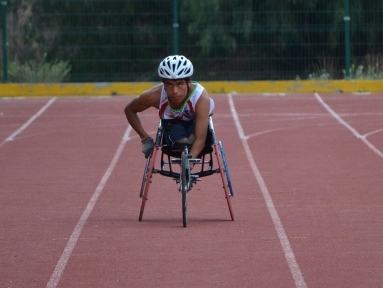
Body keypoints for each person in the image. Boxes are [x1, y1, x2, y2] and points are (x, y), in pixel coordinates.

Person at [124, 55, 215, 163]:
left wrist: (188, 165)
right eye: (169, 85)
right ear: (163, 84)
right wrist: (145, 139)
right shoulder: (155, 95)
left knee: (195, 137)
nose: (175, 91)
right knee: (178, 136)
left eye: (180, 84)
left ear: (189, 82)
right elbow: (130, 110)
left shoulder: (200, 98)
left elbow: (200, 139)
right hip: (172, 127)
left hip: (195, 126)